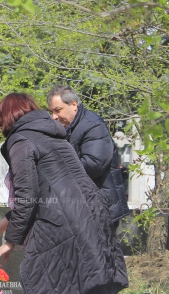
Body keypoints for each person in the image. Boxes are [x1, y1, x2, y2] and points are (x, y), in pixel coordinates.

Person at [0, 93, 128, 294]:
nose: (1, 129)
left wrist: (10, 242)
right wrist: (0, 229)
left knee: (42, 283)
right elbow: (47, 191)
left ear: (8, 117)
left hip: (62, 224)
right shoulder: (53, 135)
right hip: (90, 216)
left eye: (0, 123)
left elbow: (27, 195)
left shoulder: (21, 141)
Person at [47, 85, 129, 224]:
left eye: (58, 110)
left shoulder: (93, 125)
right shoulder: (69, 128)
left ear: (73, 104)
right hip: (85, 208)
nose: (54, 117)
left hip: (100, 210)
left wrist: (56, 167)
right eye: (51, 112)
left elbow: (93, 164)